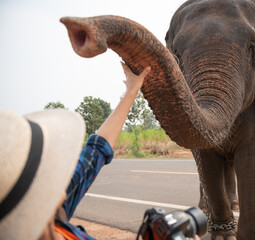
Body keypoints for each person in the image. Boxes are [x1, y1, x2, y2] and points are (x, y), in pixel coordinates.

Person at [0, 63, 151, 240]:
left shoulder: (51, 215)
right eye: (48, 178)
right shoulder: (53, 209)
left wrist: (131, 91)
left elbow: (95, 152)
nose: (61, 187)